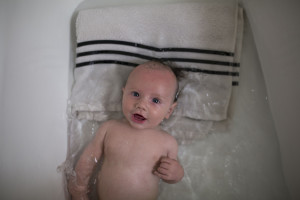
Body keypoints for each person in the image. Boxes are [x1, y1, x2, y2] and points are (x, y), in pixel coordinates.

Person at [68, 61, 184, 200]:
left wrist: (176, 174)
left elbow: (169, 176)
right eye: (135, 94)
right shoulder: (109, 128)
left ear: (169, 110)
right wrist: (79, 189)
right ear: (123, 93)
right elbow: (88, 160)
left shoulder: (168, 142)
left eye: (155, 100)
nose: (141, 105)